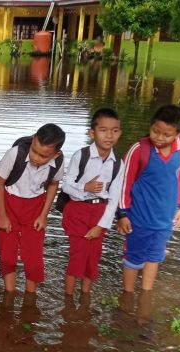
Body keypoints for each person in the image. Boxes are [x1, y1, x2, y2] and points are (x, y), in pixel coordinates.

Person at [116, 104, 180, 296]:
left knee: (155, 256)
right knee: (133, 258)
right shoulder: (139, 149)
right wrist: (122, 214)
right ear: (151, 126)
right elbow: (123, 184)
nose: (159, 137)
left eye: (166, 134)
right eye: (155, 131)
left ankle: (146, 294)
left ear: (178, 133)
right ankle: (127, 296)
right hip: (139, 219)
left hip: (165, 219)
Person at [0, 124, 66, 293]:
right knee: (7, 254)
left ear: (56, 154)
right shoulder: (15, 154)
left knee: (34, 256)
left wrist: (44, 215)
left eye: (43, 156)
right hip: (8, 205)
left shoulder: (58, 161)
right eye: (34, 151)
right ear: (33, 139)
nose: (36, 158)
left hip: (35, 208)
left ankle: (30, 295)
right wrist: (2, 215)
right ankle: (9, 293)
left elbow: (53, 184)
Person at [61, 108, 124, 297]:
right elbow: (66, 186)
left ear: (120, 133)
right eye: (103, 130)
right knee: (78, 255)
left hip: (100, 212)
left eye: (114, 131)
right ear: (92, 133)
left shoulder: (118, 163)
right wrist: (85, 188)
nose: (109, 136)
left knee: (93, 257)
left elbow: (113, 199)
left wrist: (101, 226)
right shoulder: (81, 156)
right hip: (77, 211)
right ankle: (68, 299)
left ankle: (85, 296)